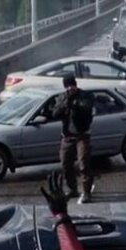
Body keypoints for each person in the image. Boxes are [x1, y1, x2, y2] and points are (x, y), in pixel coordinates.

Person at [50, 73, 95, 203]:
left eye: (72, 85)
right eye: (68, 86)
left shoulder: (85, 95)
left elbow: (87, 108)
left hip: (82, 135)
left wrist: (75, 104)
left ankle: (86, 192)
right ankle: (72, 189)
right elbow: (54, 113)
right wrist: (66, 104)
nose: (70, 88)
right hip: (67, 136)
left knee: (84, 164)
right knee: (65, 164)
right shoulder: (62, 97)